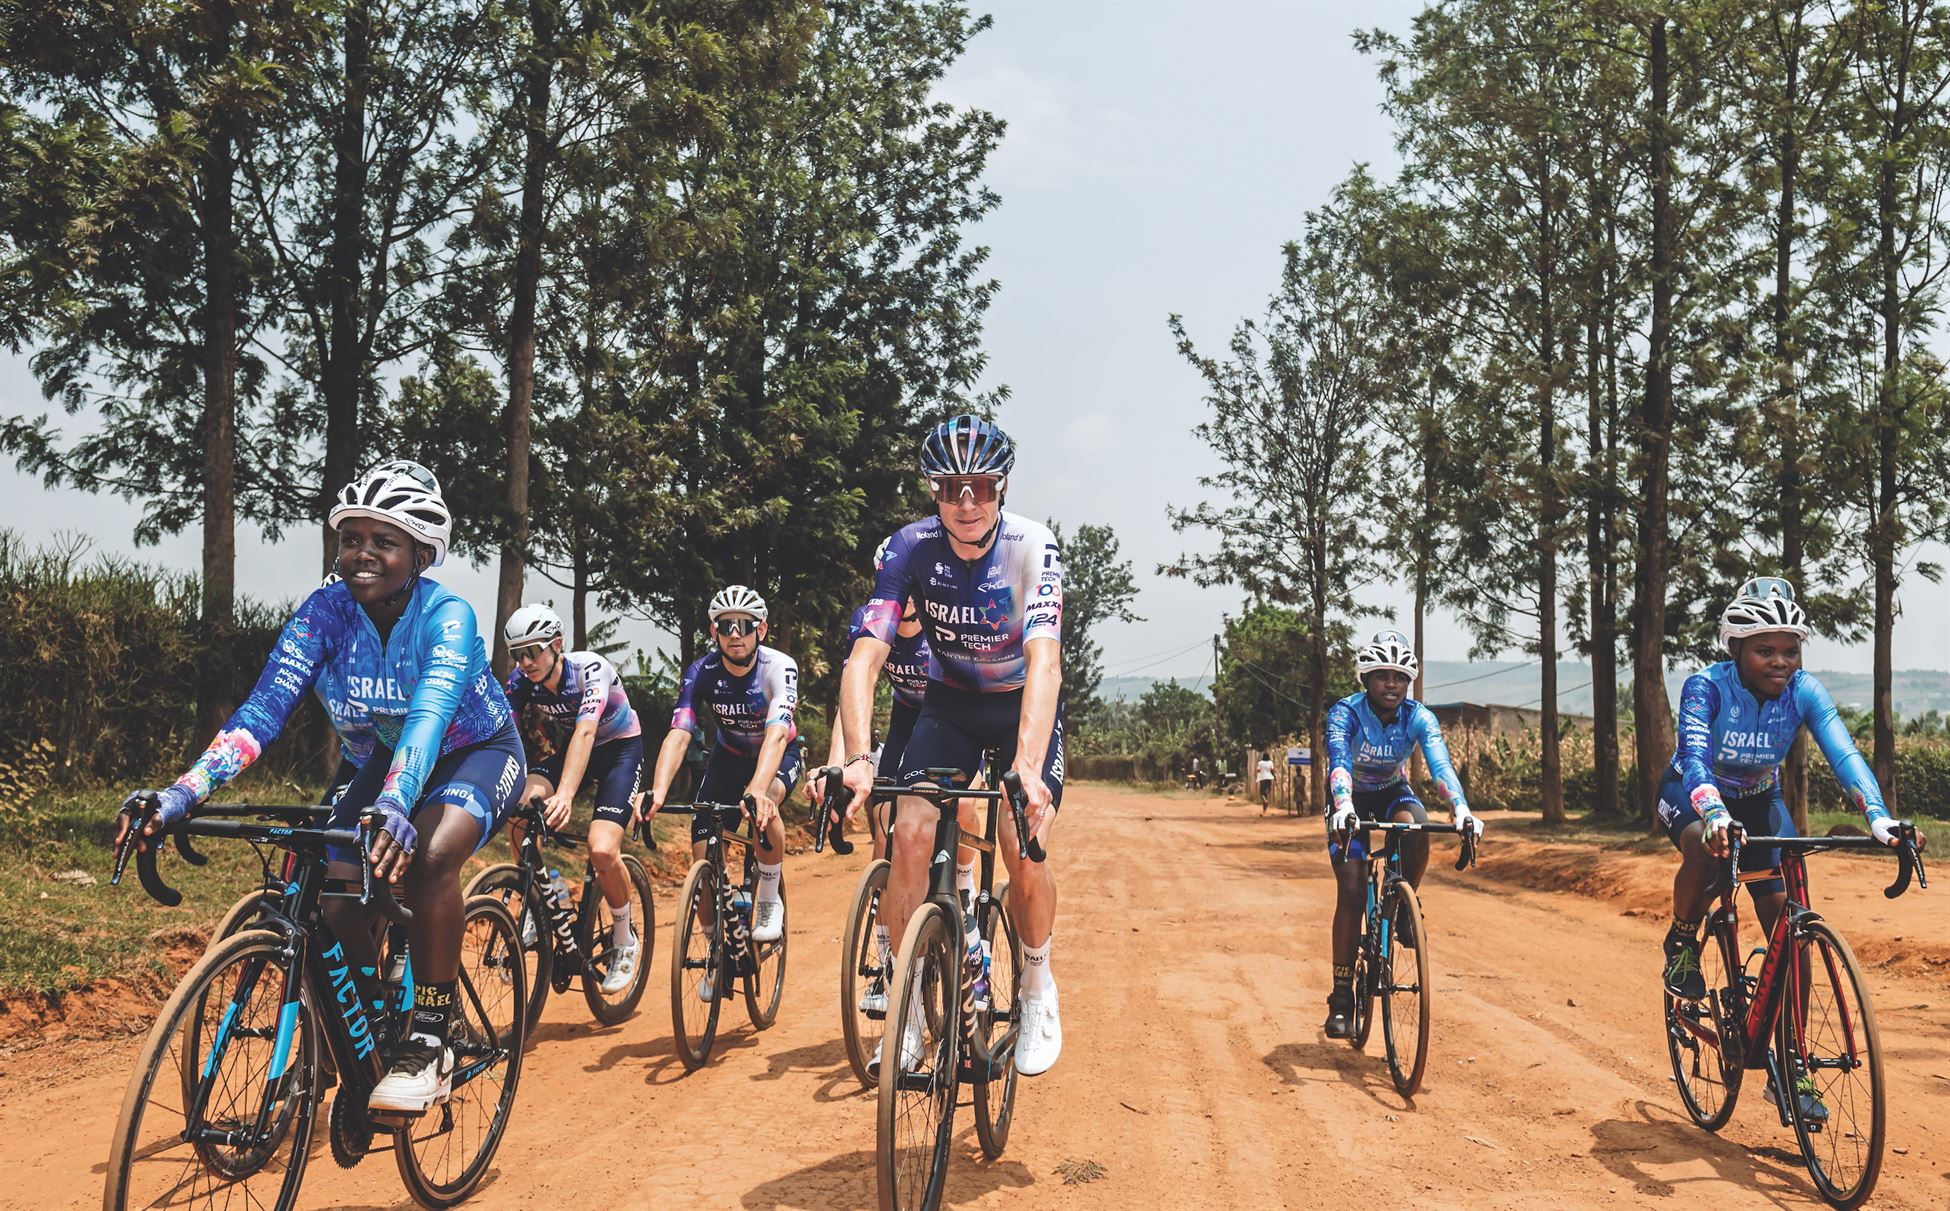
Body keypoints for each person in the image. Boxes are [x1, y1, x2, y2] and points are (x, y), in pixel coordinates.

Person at [116, 461, 524, 1114]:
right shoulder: (325, 612)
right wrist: (182, 792)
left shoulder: (447, 615)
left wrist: (395, 802)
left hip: (473, 753)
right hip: (388, 760)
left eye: (381, 540)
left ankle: (429, 1038)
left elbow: (428, 717)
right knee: (336, 893)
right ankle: (368, 1030)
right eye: (350, 538)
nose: (360, 553)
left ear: (420, 552)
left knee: (431, 856)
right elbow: (262, 712)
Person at [839, 414, 1067, 1078]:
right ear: (933, 492)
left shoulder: (1032, 545)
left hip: (1020, 701)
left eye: (981, 487)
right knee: (907, 829)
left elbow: (1045, 662)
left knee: (1020, 841)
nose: (966, 503)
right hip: (951, 704)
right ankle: (909, 1013)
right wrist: (858, 757)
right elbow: (865, 658)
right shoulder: (906, 549)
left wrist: (1026, 768)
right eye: (949, 488)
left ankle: (1035, 984)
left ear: (1001, 487)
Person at [1655, 578, 1914, 1116]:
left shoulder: (1804, 690)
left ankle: (1792, 1066)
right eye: (1765, 649)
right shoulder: (1707, 687)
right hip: (1693, 792)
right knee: (1706, 851)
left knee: (1790, 926)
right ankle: (1681, 942)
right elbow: (1696, 757)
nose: (1780, 661)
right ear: (1736, 649)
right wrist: (1714, 814)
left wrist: (1877, 814)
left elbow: (1843, 753)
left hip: (1759, 800)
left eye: (1790, 649)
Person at [1320, 630, 1480, 1040]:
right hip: (1348, 797)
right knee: (1353, 889)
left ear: (1409, 683)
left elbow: (1441, 766)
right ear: (1366, 679)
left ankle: (1404, 901)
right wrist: (1343, 807)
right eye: (1381, 676)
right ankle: (1341, 997)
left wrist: (1461, 810)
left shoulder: (1418, 717)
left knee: (1417, 824)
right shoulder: (1346, 713)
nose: (1391, 684)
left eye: (1399, 677)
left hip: (1392, 791)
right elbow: (1338, 762)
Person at [643, 585, 800, 950]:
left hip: (776, 757)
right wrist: (659, 790)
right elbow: (679, 734)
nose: (734, 634)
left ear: (760, 629)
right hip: (727, 760)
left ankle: (768, 898)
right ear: (713, 631)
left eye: (744, 625)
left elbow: (777, 736)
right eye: (725, 625)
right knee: (703, 868)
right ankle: (717, 946)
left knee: (766, 807)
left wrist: (758, 789)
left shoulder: (777, 667)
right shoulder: (701, 672)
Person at [501, 603, 646, 994]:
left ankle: (624, 937)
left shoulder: (589, 670)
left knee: (601, 851)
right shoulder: (521, 681)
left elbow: (585, 731)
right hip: (573, 752)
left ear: (557, 645)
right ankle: (545, 899)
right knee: (520, 812)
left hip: (618, 751)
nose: (525, 662)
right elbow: (506, 735)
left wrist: (565, 795)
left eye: (533, 651)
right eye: (518, 653)